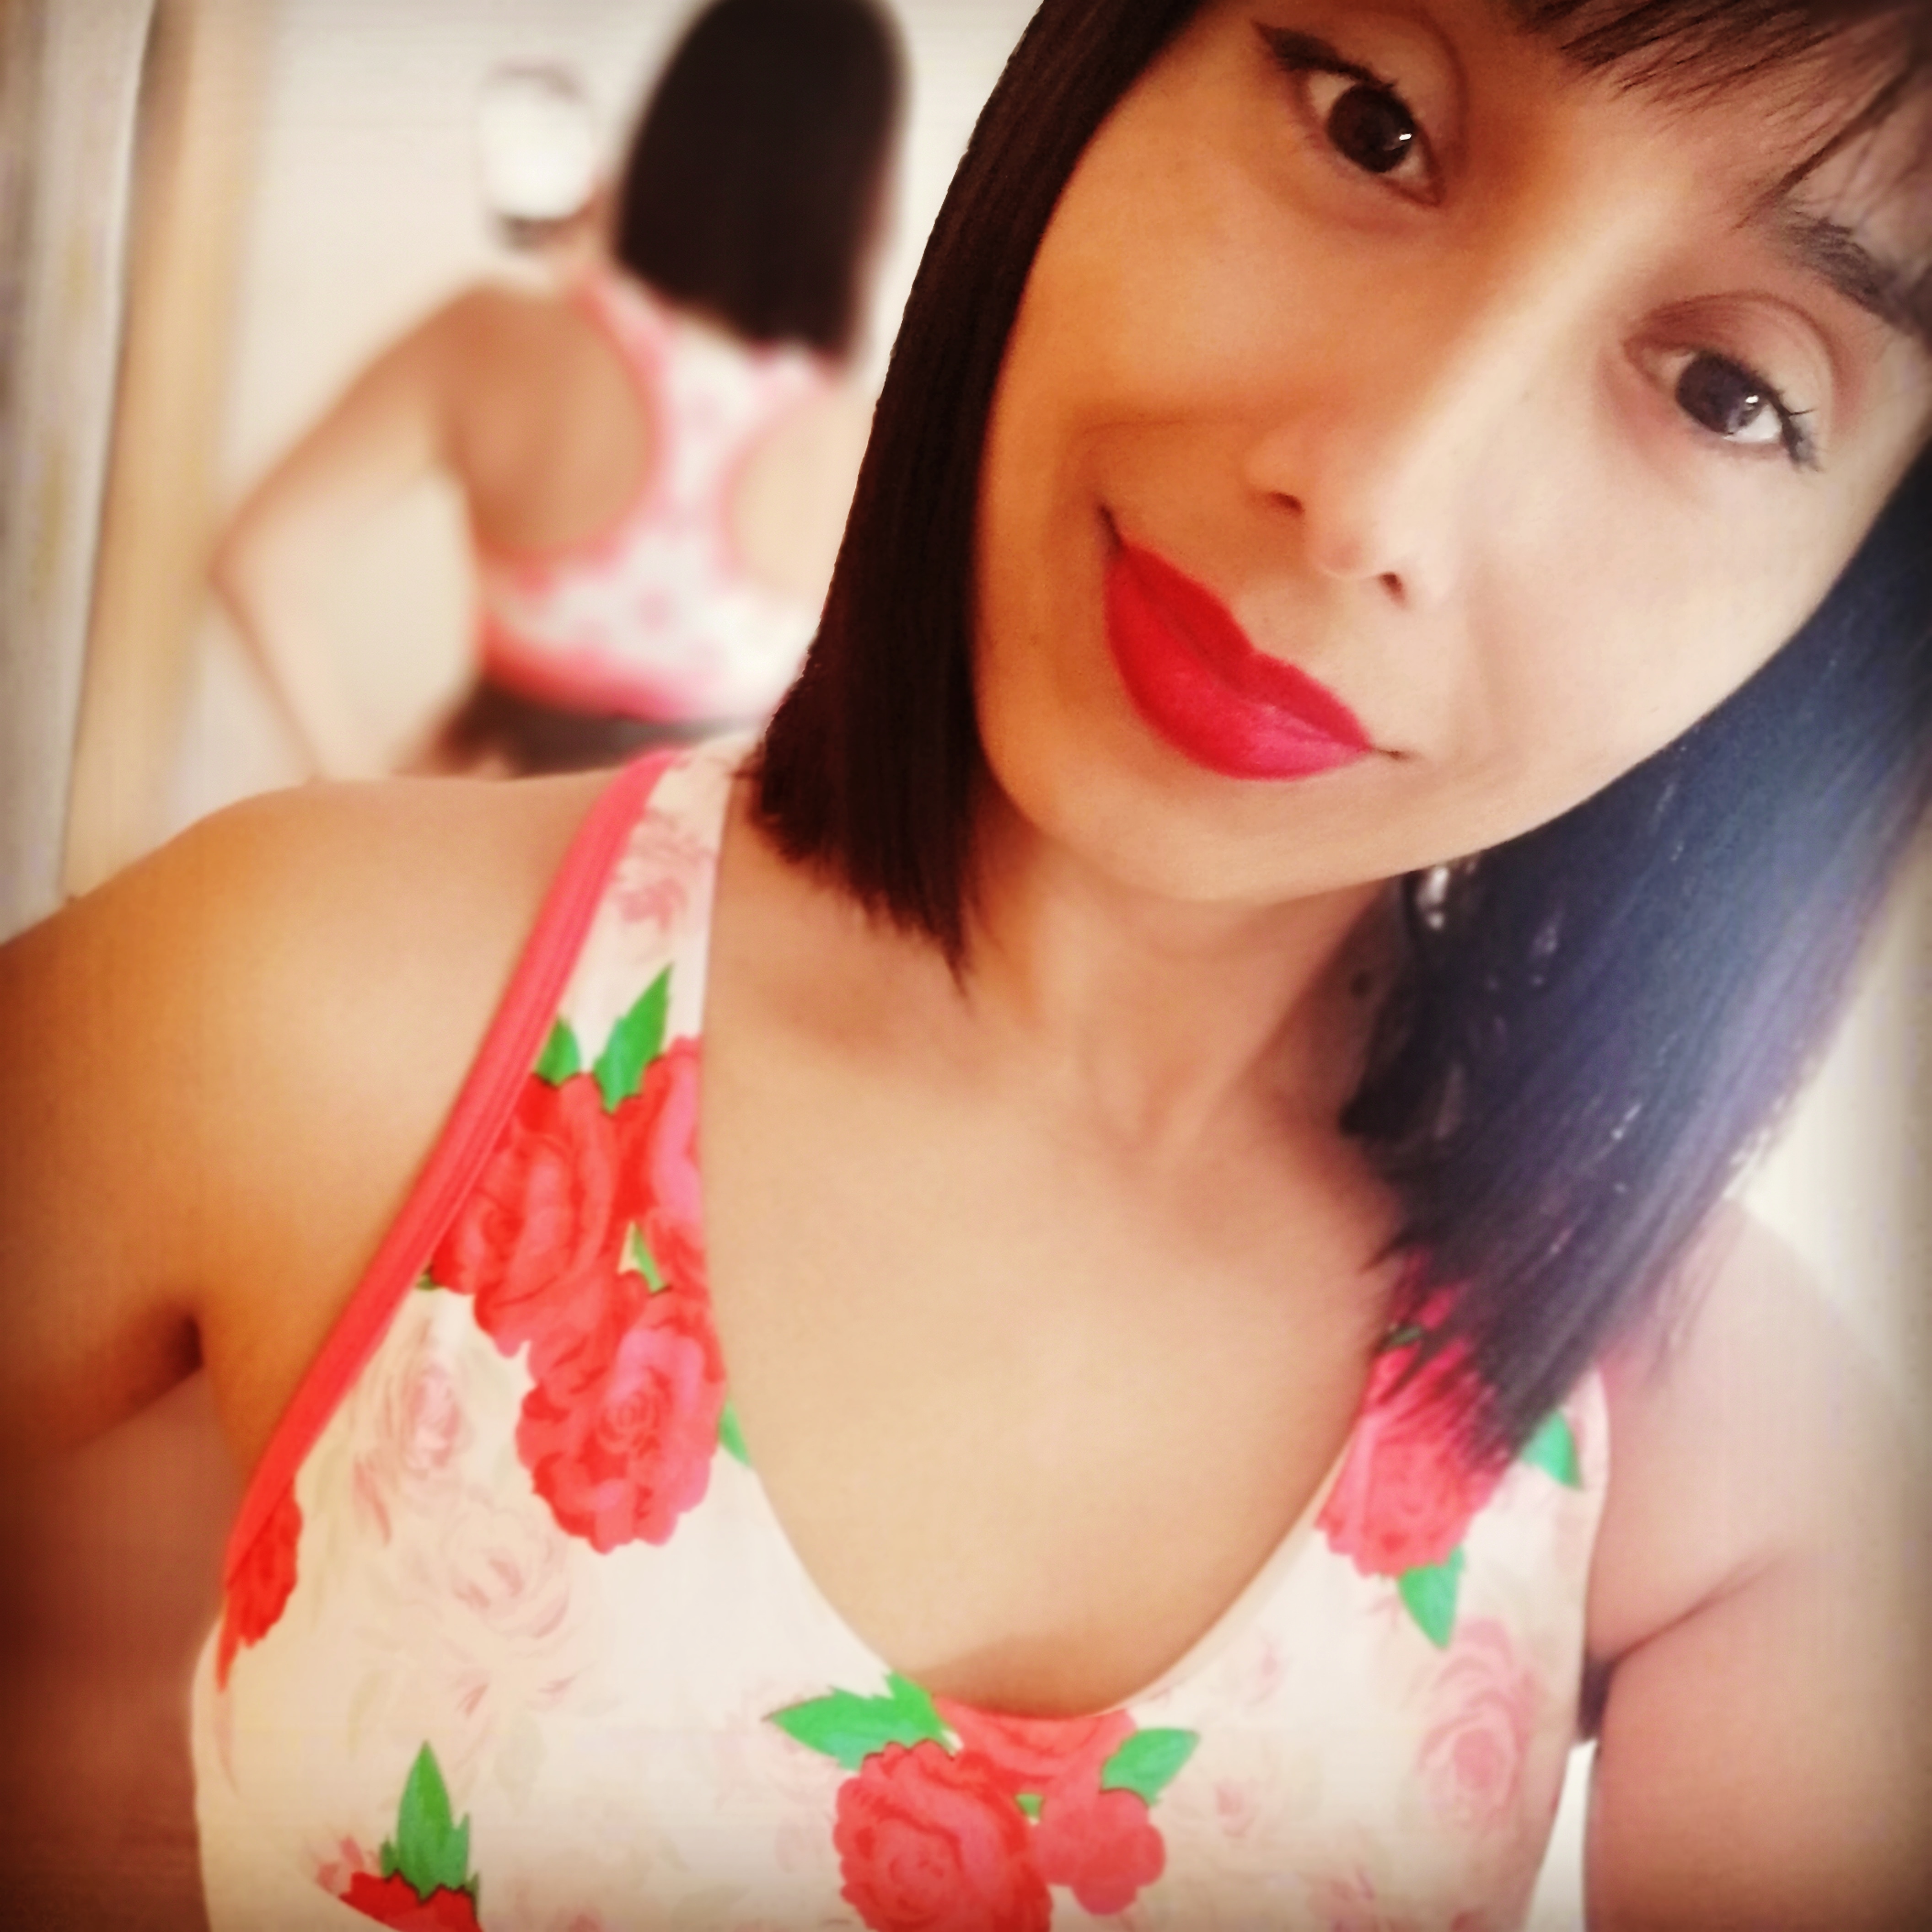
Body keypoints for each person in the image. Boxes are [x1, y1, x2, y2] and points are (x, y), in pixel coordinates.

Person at [5, 0, 1931, 1926]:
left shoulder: (1725, 1468)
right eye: (1369, 124)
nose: (1373, 501)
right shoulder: (310, 1005)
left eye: (1727, 392)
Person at [212, 0, 903, 778]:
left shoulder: (494, 337)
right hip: (702, 848)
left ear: (671, 132)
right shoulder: (860, 443)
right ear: (861, 194)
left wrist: (351, 788)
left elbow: (254, 556)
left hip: (474, 826)